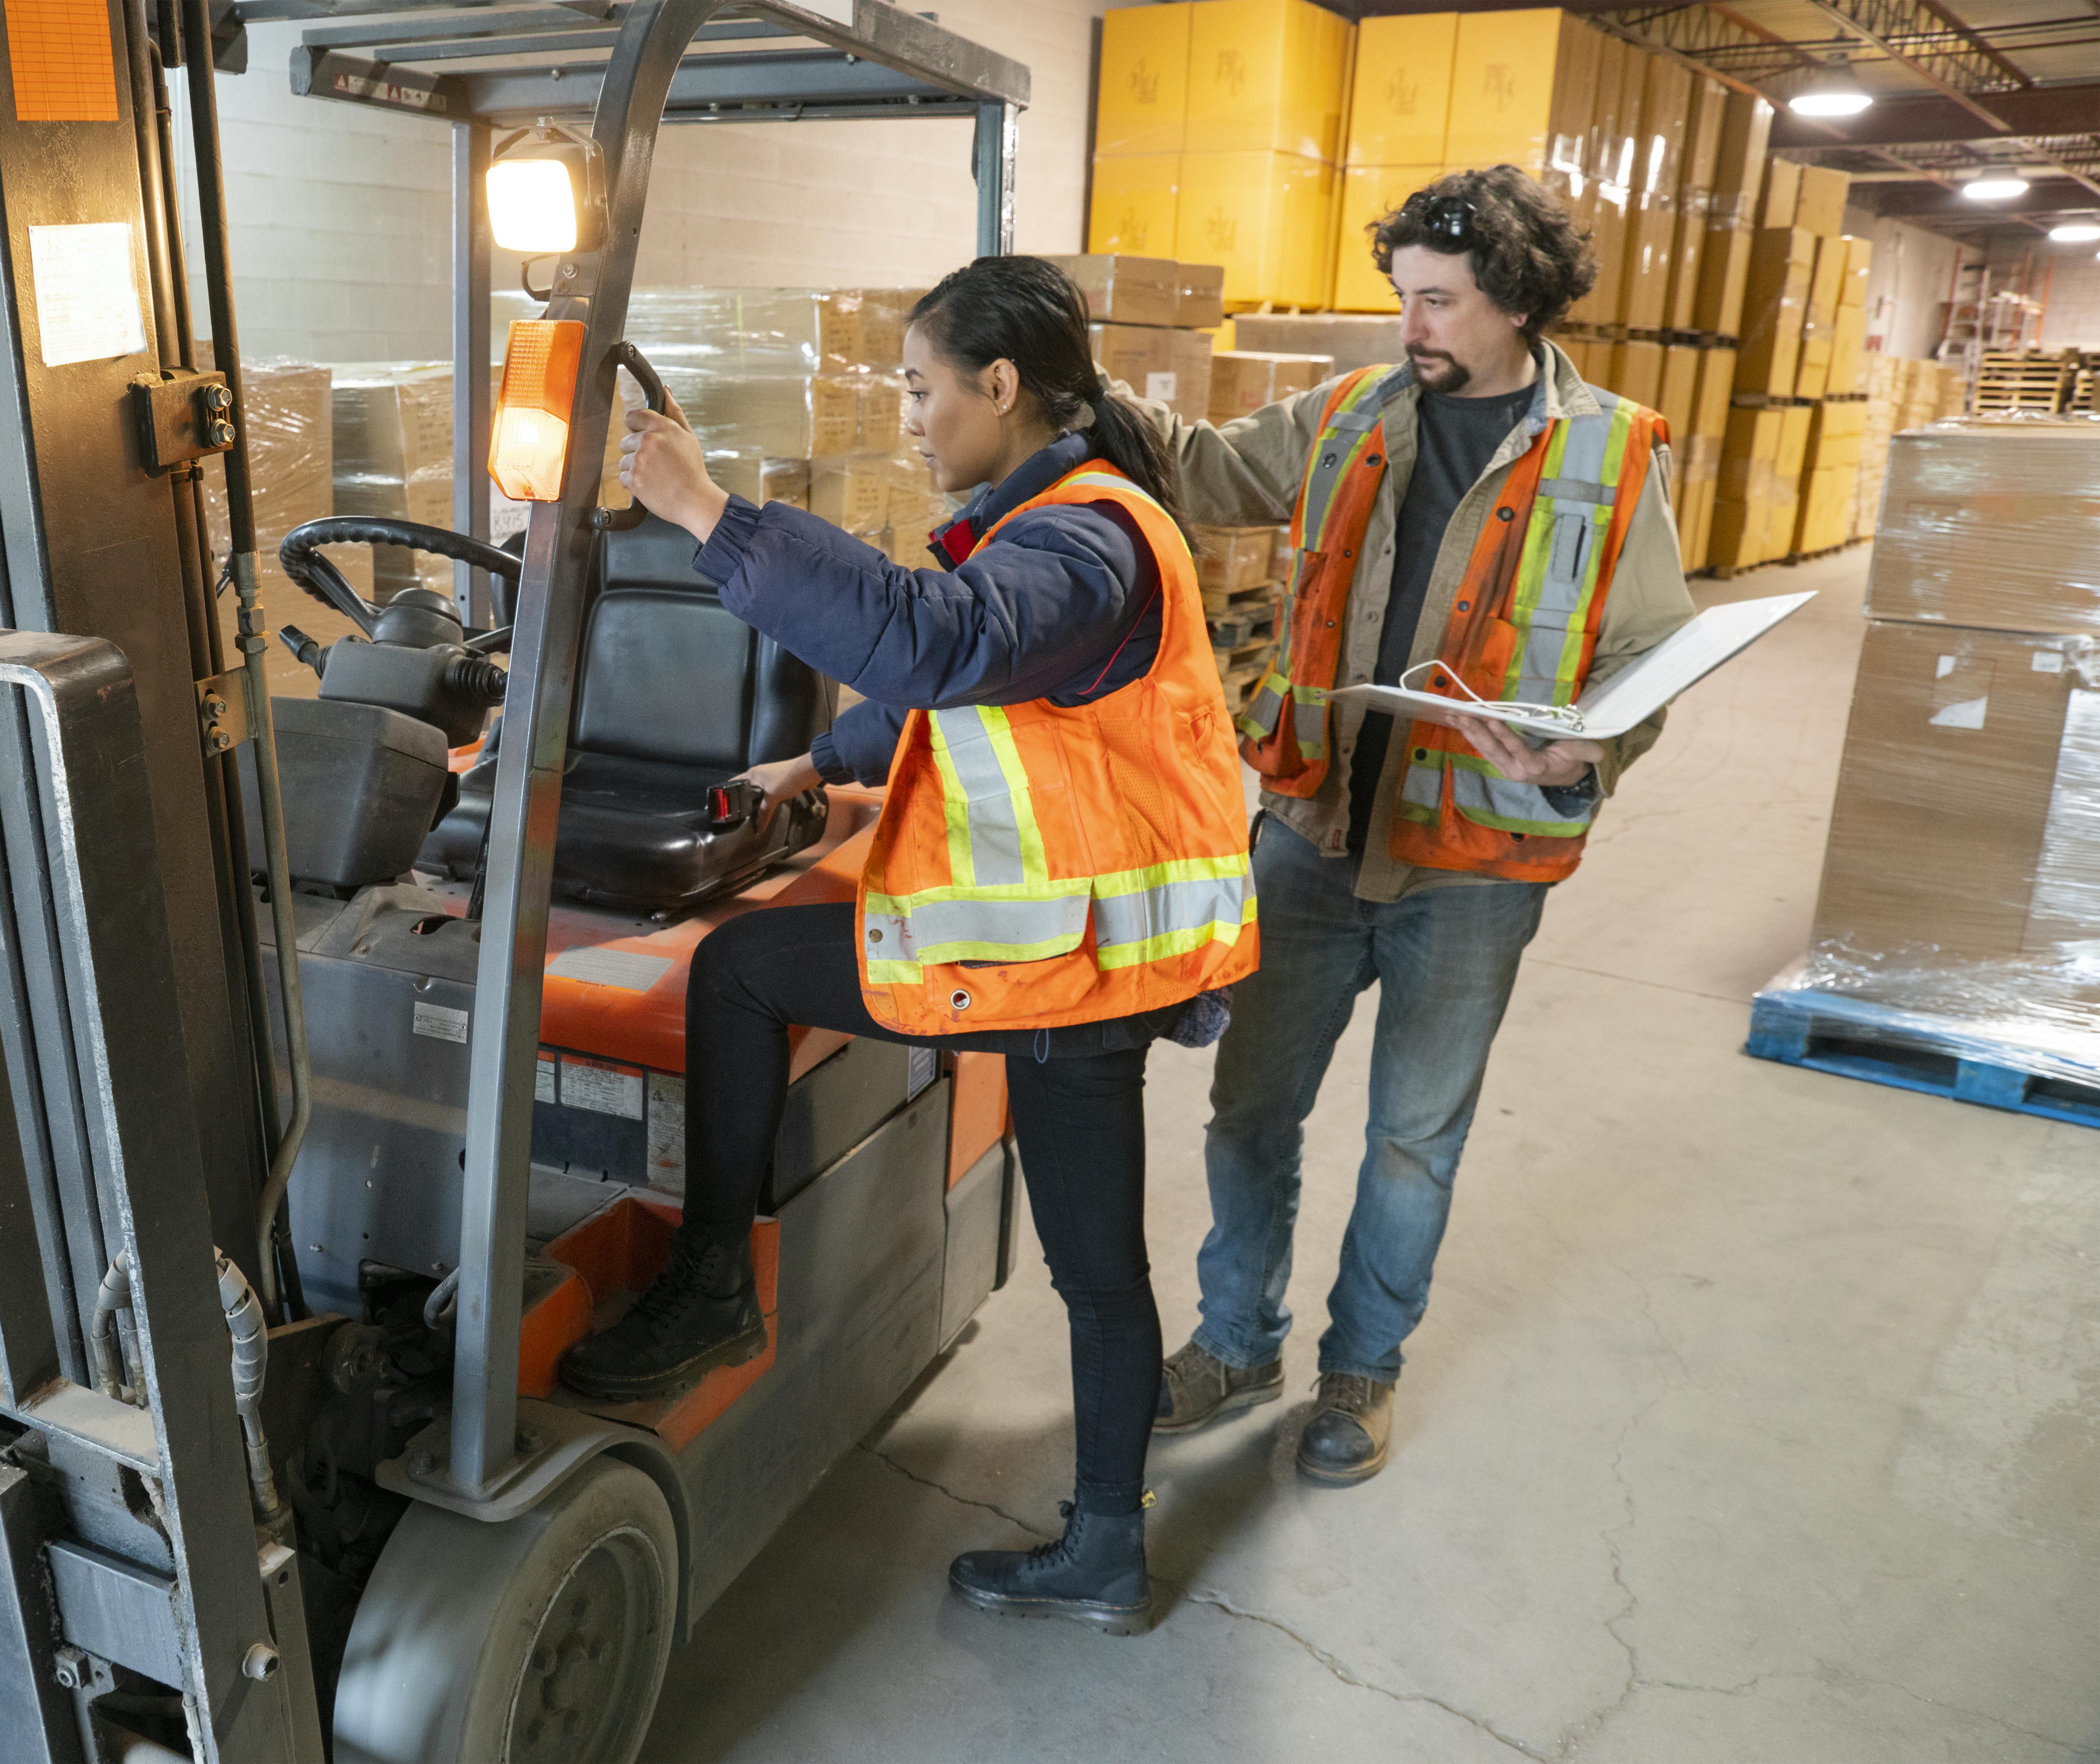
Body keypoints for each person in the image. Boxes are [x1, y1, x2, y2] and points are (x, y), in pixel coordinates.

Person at [565, 255, 1256, 1635]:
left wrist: (707, 512)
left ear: (998, 387)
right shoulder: (1058, 526)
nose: (909, 417)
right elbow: (965, 695)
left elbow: (937, 648)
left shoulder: (1084, 540)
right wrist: (808, 765)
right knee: (1099, 1269)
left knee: (738, 970)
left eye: (920, 388)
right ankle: (1107, 1548)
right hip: (1076, 962)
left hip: (1060, 970)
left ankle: (716, 1287)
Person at [1137, 166, 1695, 1483]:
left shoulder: (1609, 452)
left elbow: (1648, 652)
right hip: (1313, 829)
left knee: (1408, 1142)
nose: (1411, 325)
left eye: (1436, 302)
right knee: (1245, 1115)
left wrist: (1587, 744)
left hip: (1472, 865)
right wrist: (1077, 388)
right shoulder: (1350, 413)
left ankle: (1358, 1373)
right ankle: (1235, 1342)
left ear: (1512, 304)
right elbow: (1207, 469)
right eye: (1403, 298)